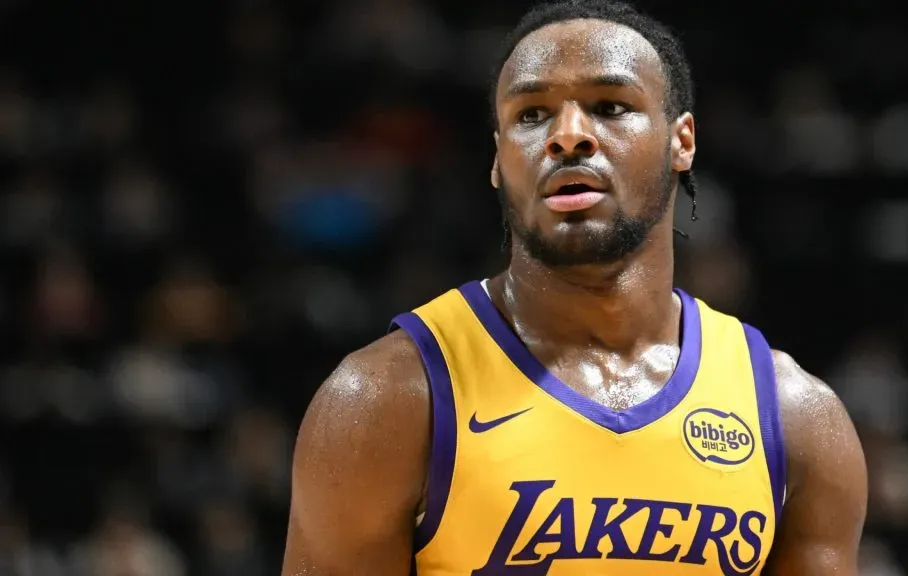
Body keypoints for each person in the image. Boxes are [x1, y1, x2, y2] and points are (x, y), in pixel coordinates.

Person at [281, 0, 868, 574]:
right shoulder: (388, 399)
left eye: (610, 106)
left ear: (681, 141)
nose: (567, 136)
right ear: (497, 158)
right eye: (530, 115)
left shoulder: (794, 418)